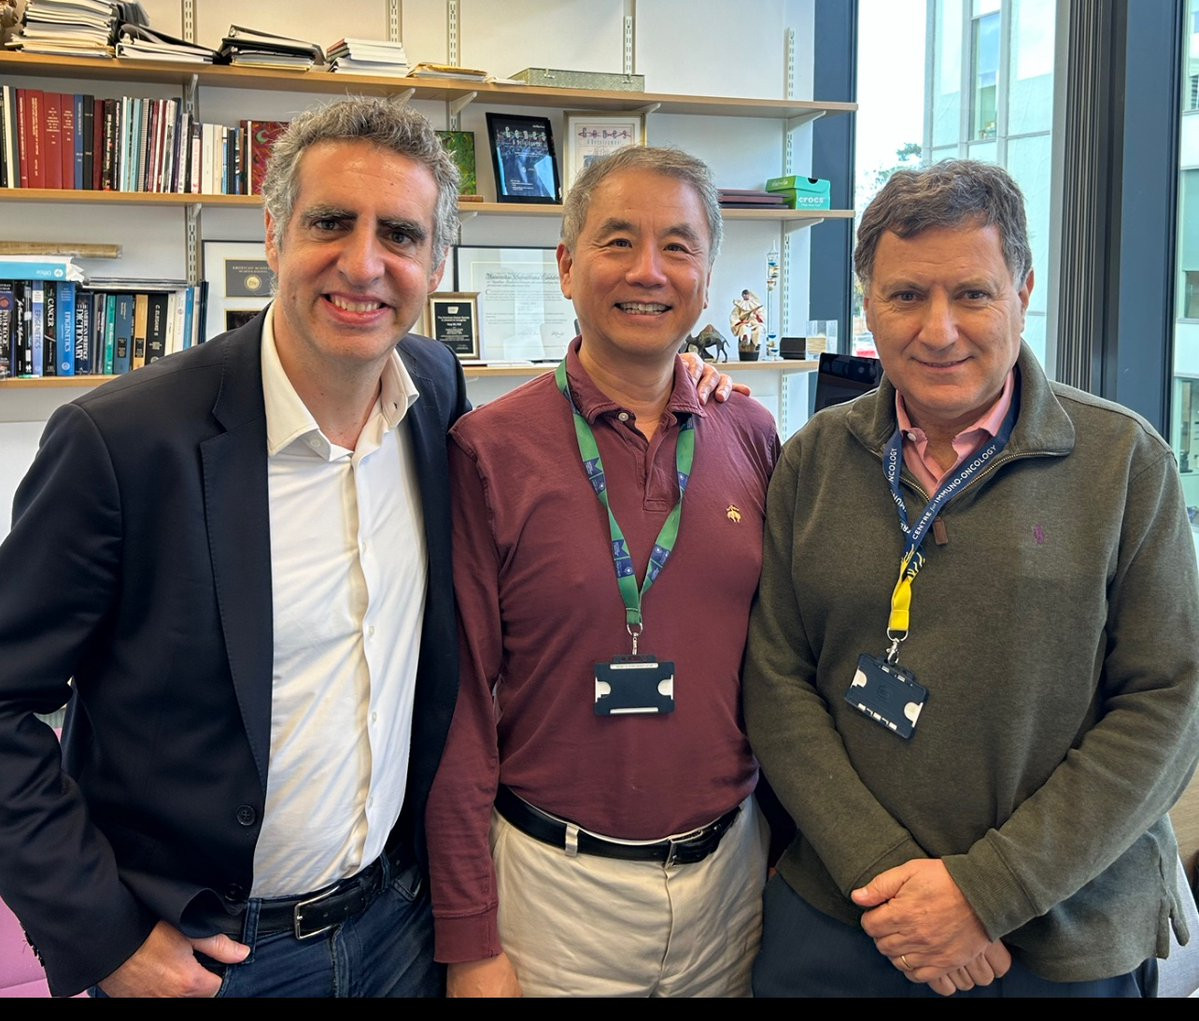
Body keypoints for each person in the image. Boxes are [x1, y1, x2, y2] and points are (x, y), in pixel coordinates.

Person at [0, 95, 472, 998]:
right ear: (274, 234)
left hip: (397, 927)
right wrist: (102, 935)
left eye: (400, 235)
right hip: (211, 955)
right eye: (330, 222)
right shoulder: (124, 443)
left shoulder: (435, 390)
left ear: (435, 263)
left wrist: (674, 372)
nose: (363, 263)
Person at [744, 159, 1199, 997]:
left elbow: (1167, 705)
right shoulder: (812, 461)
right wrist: (886, 877)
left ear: (1022, 291)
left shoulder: (1125, 463)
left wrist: (984, 893)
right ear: (868, 304)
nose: (938, 329)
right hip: (846, 917)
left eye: (972, 293)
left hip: (1057, 935)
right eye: (905, 295)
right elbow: (776, 681)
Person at [426, 146, 780, 997]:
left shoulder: (752, 435)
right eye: (617, 241)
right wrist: (469, 936)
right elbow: (458, 707)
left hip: (730, 880)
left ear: (706, 279)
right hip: (556, 893)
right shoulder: (489, 450)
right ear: (566, 266)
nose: (647, 271)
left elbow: (784, 669)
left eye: (677, 247)